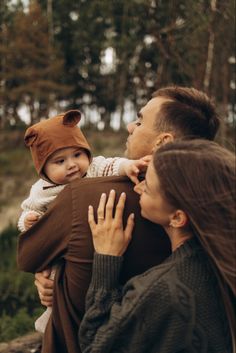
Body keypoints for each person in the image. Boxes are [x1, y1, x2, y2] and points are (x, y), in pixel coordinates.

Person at [17, 86, 220, 353]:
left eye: (139, 120)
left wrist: (56, 276)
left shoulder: (84, 197)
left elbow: (27, 256)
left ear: (164, 141)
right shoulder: (210, 210)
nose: (128, 126)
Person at [80, 139, 235, 353]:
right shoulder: (222, 261)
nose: (138, 186)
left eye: (148, 186)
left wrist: (106, 259)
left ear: (177, 217)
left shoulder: (161, 291)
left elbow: (94, 346)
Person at [17, 109, 148, 333]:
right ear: (43, 170)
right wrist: (27, 221)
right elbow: (28, 211)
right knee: (53, 276)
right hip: (60, 246)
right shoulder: (41, 191)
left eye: (78, 155)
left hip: (91, 241)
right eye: (60, 161)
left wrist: (128, 166)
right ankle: (51, 314)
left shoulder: (95, 168)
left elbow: (113, 164)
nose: (72, 165)